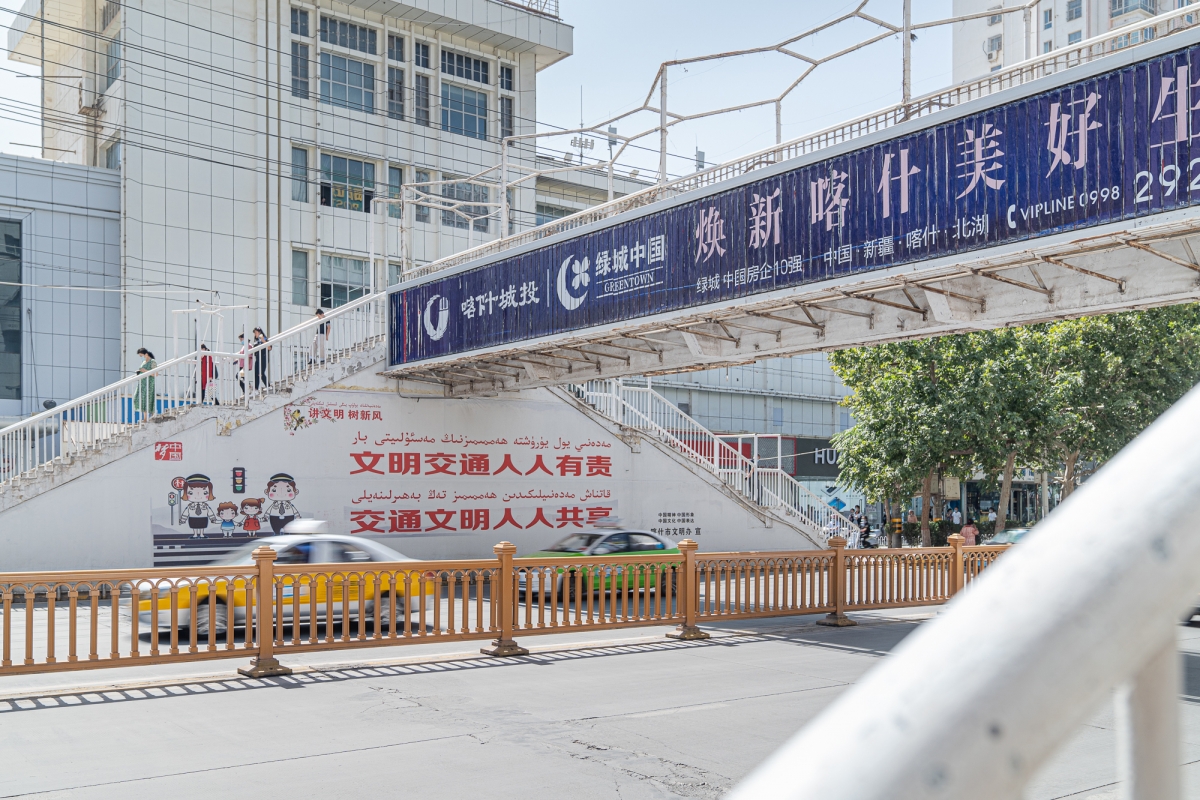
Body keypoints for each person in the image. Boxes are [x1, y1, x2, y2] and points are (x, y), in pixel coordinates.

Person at [133, 348, 156, 419]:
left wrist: (145, 371)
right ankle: (145, 418)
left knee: (148, 399)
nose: (141, 358)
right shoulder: (144, 362)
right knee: (138, 398)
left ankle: (149, 417)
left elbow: (155, 373)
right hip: (142, 383)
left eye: (141, 355)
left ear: (146, 354)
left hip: (149, 382)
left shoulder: (152, 361)